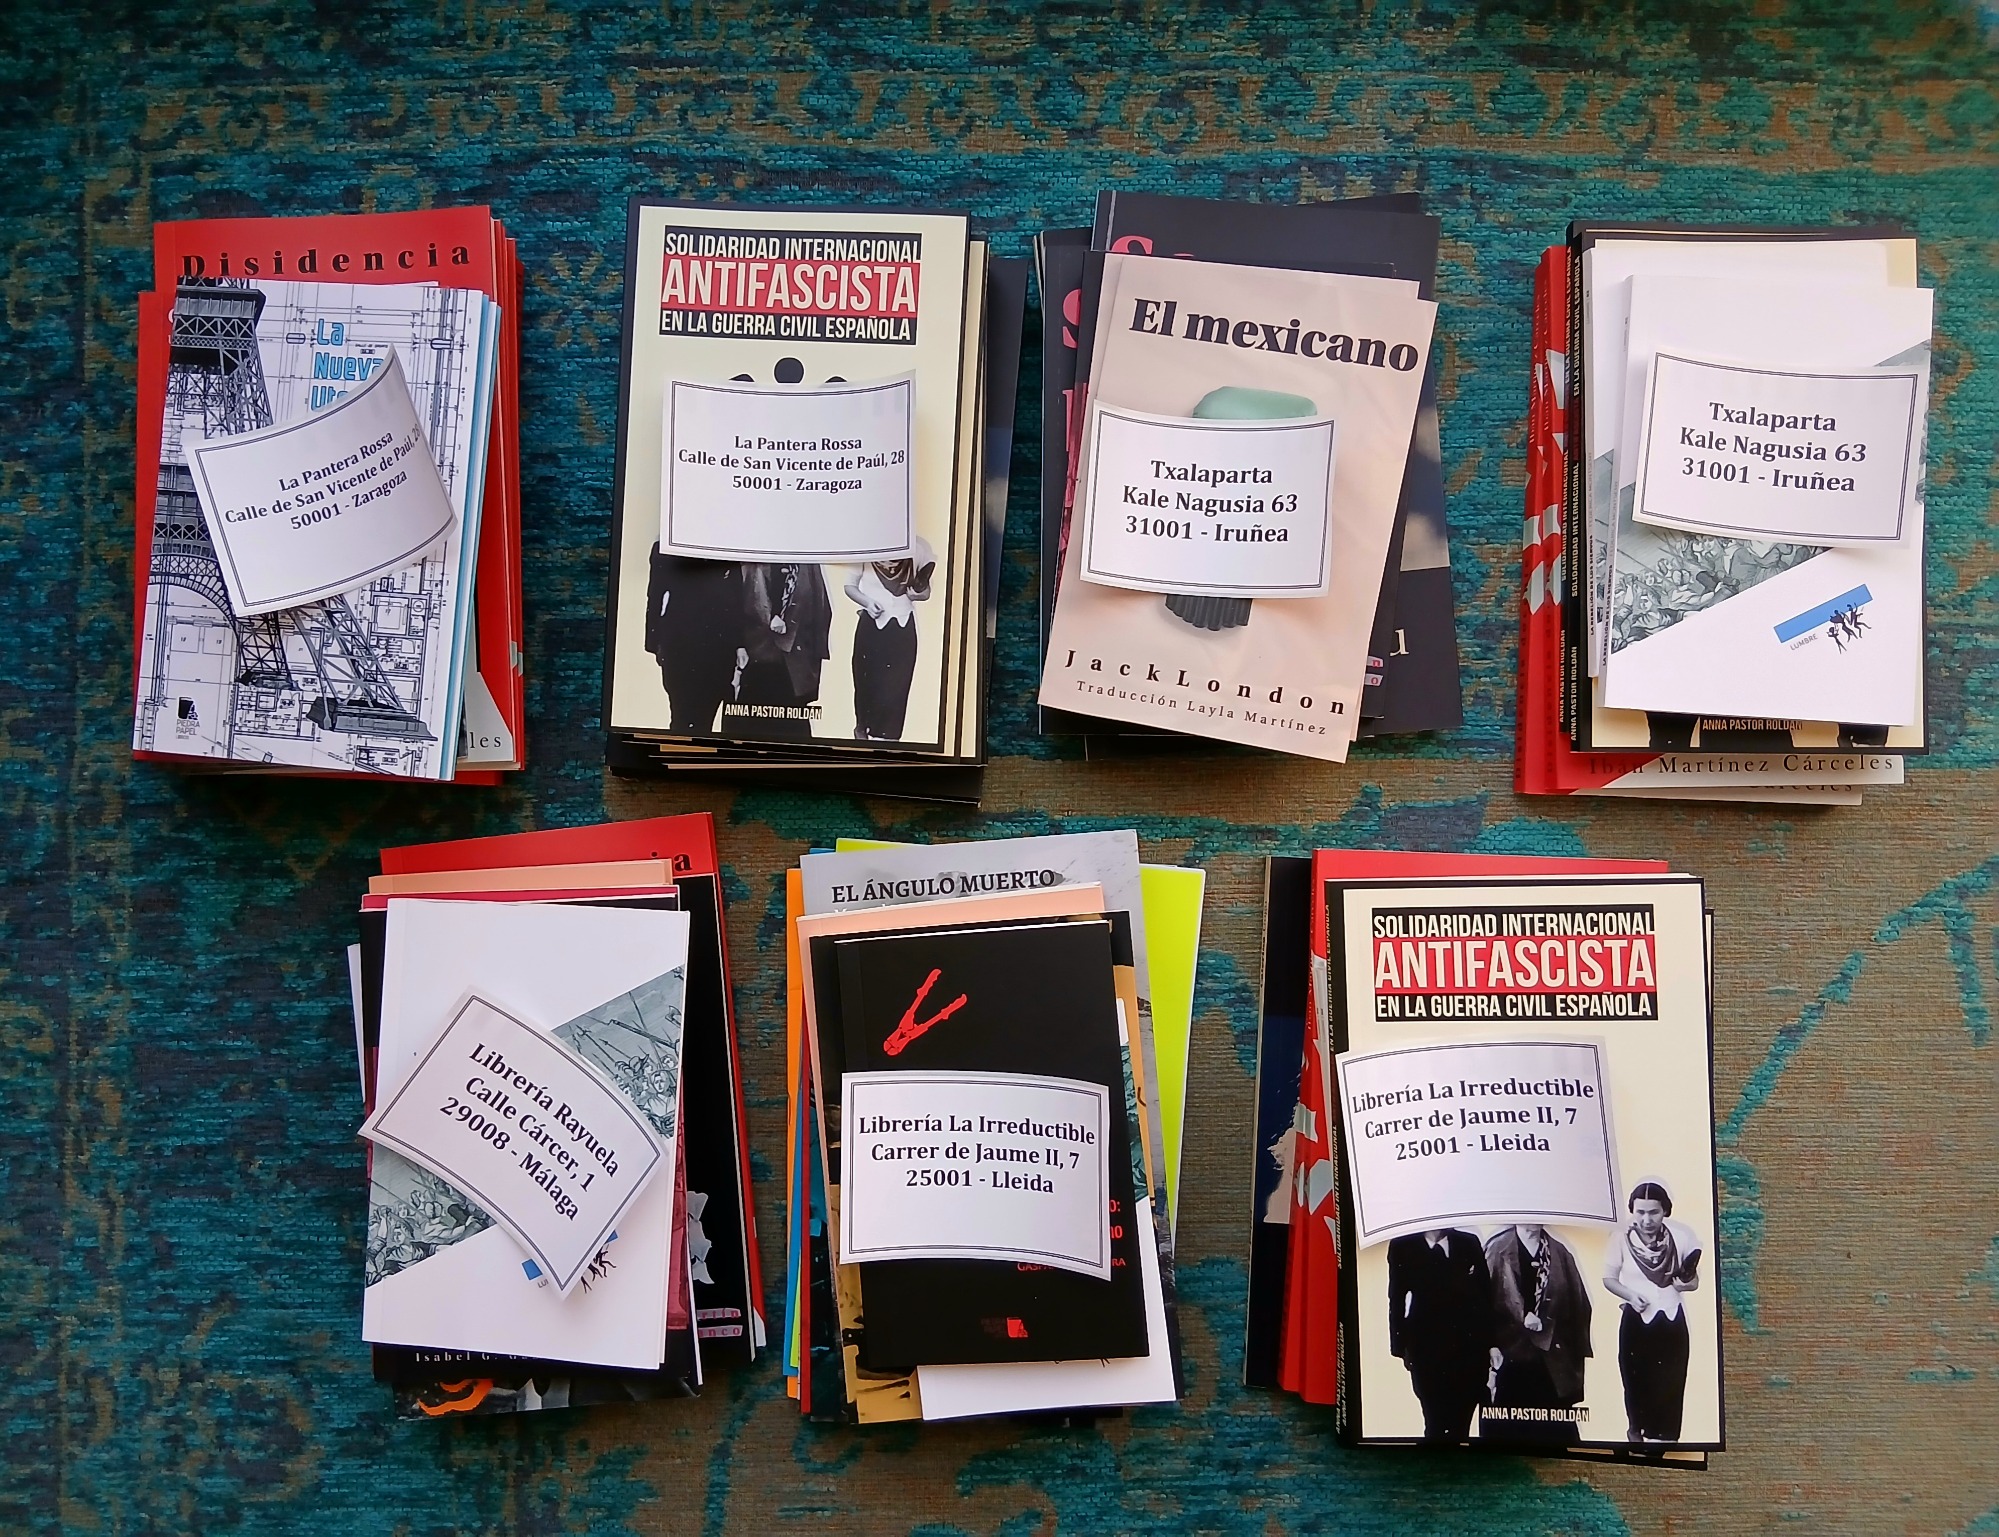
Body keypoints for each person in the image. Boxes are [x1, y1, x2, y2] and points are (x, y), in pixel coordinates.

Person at [1602, 1181, 1702, 1443]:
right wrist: (1630, 1295)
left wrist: (1684, 1285)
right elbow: (1609, 1279)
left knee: (1671, 1382)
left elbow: (1693, 1281)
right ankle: (1637, 1433)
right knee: (1635, 1382)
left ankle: (1664, 1441)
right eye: (1641, 1212)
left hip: (1671, 1320)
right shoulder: (1620, 1238)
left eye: (1653, 1212)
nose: (1647, 1220)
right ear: (1633, 1211)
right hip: (1636, 1320)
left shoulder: (1681, 1236)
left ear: (1665, 1210)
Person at [1483, 1223, 1591, 1444]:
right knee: (1505, 1437)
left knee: (1557, 1438)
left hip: (1550, 1361)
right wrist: (1491, 1345)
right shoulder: (1497, 1248)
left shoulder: (1560, 1252)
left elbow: (1579, 1308)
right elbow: (1481, 1303)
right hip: (1509, 1358)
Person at [1386, 1228, 1495, 1440]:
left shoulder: (1468, 1243)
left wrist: (1491, 1344)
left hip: (1469, 1349)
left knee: (1460, 1423)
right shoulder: (1403, 1245)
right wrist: (1400, 1347)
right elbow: (1396, 1299)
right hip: (1425, 1349)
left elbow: (1485, 1297)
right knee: (1434, 1421)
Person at [643, 546, 741, 735]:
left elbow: (737, 596)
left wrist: (739, 644)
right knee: (682, 715)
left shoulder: (726, 547)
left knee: (703, 715)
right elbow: (655, 596)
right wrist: (655, 643)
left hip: (717, 647)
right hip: (680, 644)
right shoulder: (666, 548)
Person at [844, 537, 934, 741]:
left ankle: (889, 739)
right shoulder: (867, 546)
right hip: (872, 624)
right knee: (866, 681)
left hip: (903, 626)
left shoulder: (917, 548)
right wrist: (867, 603)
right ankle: (862, 729)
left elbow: (926, 591)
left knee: (897, 686)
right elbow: (849, 586)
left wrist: (916, 595)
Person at [734, 562, 831, 740]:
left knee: (793, 731)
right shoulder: (751, 560)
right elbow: (736, 602)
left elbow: (821, 608)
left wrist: (813, 669)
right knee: (749, 727)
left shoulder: (808, 564)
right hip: (756, 655)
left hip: (794, 661)